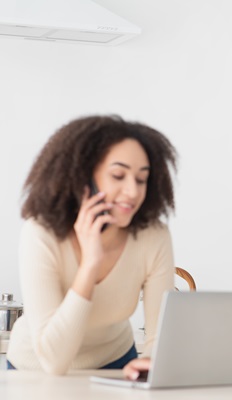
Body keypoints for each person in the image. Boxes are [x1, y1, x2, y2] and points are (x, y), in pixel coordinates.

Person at [6, 115, 177, 378]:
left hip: (117, 363)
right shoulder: (41, 233)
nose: (132, 191)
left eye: (141, 179)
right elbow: (55, 362)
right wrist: (90, 265)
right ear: (83, 177)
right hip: (35, 371)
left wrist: (151, 364)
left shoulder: (152, 236)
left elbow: (160, 338)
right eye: (118, 175)